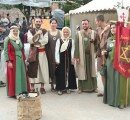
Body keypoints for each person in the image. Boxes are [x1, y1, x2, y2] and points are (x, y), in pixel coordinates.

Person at [103, 23, 130, 109]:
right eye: (111, 28)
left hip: (120, 64)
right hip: (110, 64)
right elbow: (108, 49)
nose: (112, 29)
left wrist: (109, 53)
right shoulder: (109, 39)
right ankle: (111, 99)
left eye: (114, 27)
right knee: (111, 81)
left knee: (118, 82)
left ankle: (119, 101)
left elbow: (123, 51)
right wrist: (105, 53)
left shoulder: (123, 39)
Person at [4, 24, 28, 97]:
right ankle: (15, 92)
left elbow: (22, 49)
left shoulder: (18, 38)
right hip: (13, 60)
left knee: (22, 75)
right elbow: (6, 51)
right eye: (14, 31)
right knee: (15, 76)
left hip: (20, 59)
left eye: (16, 31)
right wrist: (8, 61)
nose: (15, 32)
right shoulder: (7, 39)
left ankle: (22, 90)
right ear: (11, 31)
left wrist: (24, 60)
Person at [74, 19, 97, 93]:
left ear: (88, 24)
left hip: (91, 56)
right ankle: (80, 88)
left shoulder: (94, 33)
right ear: (81, 25)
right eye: (83, 24)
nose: (84, 25)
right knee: (81, 71)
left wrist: (94, 42)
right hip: (82, 56)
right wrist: (76, 56)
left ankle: (94, 87)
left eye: (86, 24)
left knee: (92, 71)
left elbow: (97, 44)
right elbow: (76, 46)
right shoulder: (78, 34)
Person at [27, 18, 49, 94]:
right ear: (34, 22)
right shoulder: (30, 31)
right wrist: (37, 34)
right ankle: (32, 88)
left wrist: (36, 43)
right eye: (37, 21)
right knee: (32, 69)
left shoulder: (45, 31)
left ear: (41, 22)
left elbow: (46, 41)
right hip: (33, 53)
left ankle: (42, 87)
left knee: (42, 69)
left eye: (39, 22)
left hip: (42, 53)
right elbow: (30, 40)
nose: (38, 23)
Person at [55, 27, 77, 95]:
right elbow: (57, 50)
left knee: (69, 73)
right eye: (64, 32)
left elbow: (73, 50)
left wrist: (72, 59)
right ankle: (60, 88)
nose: (65, 33)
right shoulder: (59, 40)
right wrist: (57, 59)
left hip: (68, 60)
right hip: (61, 60)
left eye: (67, 32)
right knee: (61, 74)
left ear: (69, 33)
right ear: (62, 32)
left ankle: (68, 87)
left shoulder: (71, 41)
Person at [95, 14, 111, 96]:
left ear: (100, 21)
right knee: (101, 72)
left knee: (109, 72)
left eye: (96, 21)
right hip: (100, 54)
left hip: (108, 53)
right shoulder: (97, 29)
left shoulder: (110, 28)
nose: (96, 23)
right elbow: (97, 42)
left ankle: (110, 91)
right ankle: (105, 91)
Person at [45, 18, 61, 91]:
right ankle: (52, 85)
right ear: (50, 24)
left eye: (55, 23)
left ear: (57, 24)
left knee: (58, 68)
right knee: (51, 68)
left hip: (58, 54)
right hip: (50, 53)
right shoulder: (47, 33)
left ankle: (58, 84)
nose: (53, 24)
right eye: (52, 23)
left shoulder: (60, 32)